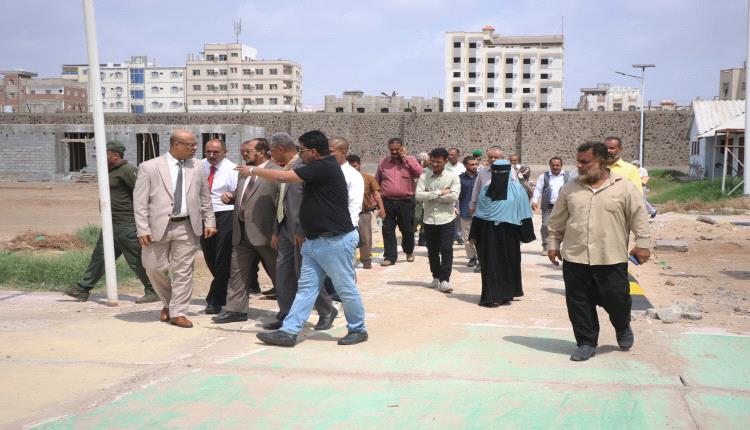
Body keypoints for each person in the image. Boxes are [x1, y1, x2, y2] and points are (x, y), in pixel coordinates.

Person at [251, 130, 367, 347]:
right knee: (306, 288)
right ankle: (289, 331)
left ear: (313, 152)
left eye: (302, 150)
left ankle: (358, 328)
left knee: (345, 288)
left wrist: (253, 170)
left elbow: (285, 177)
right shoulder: (317, 168)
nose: (300, 154)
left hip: (335, 241)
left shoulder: (325, 167)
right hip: (314, 241)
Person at [548, 142, 650, 362]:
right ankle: (586, 342)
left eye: (585, 161)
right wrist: (553, 244)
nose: (580, 165)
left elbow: (639, 217)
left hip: (610, 256)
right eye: (579, 161)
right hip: (576, 256)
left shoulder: (624, 187)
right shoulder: (571, 188)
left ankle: (622, 327)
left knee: (618, 300)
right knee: (579, 302)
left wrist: (642, 243)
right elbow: (556, 221)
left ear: (602, 162)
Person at [133, 129, 216, 328]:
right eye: (191, 145)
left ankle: (178, 312)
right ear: (176, 145)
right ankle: (168, 303)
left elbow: (205, 196)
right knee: (153, 267)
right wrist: (142, 228)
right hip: (156, 228)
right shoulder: (150, 167)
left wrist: (210, 221)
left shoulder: (197, 166)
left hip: (187, 226)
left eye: (195, 145)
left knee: (183, 271)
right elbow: (140, 201)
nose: (196, 148)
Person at [64, 140, 159, 304]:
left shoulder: (127, 171)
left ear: (115, 155)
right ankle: (83, 289)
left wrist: (145, 223)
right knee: (100, 257)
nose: (101, 156)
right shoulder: (107, 171)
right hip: (110, 224)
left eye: (105, 153)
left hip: (126, 224)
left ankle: (154, 290)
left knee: (136, 259)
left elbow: (144, 194)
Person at [262, 132, 336, 331]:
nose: (271, 155)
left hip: (301, 231)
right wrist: (276, 230)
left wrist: (302, 230)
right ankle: (286, 314)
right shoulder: (286, 168)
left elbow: (308, 204)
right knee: (283, 273)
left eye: (271, 151)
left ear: (279, 149)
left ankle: (326, 309)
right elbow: (282, 203)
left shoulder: (304, 168)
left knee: (305, 274)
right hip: (284, 229)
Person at [212, 138, 280, 324]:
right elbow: (247, 195)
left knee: (278, 273)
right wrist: (233, 197)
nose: (244, 153)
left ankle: (288, 310)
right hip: (241, 232)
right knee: (238, 273)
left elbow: (280, 206)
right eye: (243, 150)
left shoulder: (277, 172)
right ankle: (236, 310)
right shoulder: (243, 172)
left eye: (248, 150)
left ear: (262, 151)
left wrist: (277, 231)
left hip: (266, 234)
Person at [468, 160, 535, 307]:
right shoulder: (486, 189)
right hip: (488, 233)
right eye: (495, 172)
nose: (498, 175)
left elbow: (524, 211)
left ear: (508, 173)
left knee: (509, 263)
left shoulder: (517, 189)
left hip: (509, 234)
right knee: (490, 264)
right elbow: (480, 214)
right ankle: (491, 297)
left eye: (502, 172)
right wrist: (474, 234)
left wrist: (526, 234)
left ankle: (506, 294)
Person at [200, 139, 237, 314]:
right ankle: (227, 288)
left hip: (225, 213)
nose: (211, 155)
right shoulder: (199, 167)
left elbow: (239, 192)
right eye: (208, 152)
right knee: (209, 254)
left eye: (216, 152)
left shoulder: (232, 169)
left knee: (222, 256)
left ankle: (215, 298)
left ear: (225, 152)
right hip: (204, 214)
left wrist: (231, 195)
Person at [416, 147, 461, 293]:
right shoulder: (424, 176)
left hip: (447, 219)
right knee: (432, 250)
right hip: (429, 219)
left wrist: (430, 194)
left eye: (438, 162)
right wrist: (441, 192)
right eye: (433, 161)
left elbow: (453, 197)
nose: (435, 164)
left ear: (445, 161)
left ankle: (445, 280)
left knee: (447, 249)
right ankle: (435, 276)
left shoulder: (453, 177)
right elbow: (418, 195)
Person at [375, 138, 423, 266]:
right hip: (387, 202)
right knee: (387, 229)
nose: (395, 152)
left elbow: (420, 173)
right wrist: (377, 203)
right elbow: (377, 183)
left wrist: (406, 159)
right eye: (392, 150)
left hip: (406, 202)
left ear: (402, 148)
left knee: (407, 229)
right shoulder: (383, 162)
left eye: (397, 149)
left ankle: (408, 251)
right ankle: (390, 257)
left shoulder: (410, 160)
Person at [347, 154, 385, 269]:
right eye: (351, 167)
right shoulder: (342, 178)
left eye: (355, 166)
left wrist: (382, 209)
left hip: (363, 213)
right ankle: (348, 262)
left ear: (360, 165)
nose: (353, 169)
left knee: (366, 238)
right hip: (347, 213)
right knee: (347, 239)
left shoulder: (368, 178)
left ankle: (366, 260)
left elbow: (377, 194)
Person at [531, 157, 569, 253]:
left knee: (564, 226)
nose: (555, 167)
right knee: (545, 225)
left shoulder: (568, 176)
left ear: (561, 165)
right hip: (548, 205)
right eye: (553, 165)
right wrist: (535, 200)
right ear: (550, 165)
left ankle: (560, 246)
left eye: (557, 165)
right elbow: (538, 189)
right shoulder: (544, 176)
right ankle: (546, 246)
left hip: (563, 207)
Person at [458, 155, 479, 268]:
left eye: (476, 164)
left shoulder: (481, 177)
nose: (475, 166)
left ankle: (481, 257)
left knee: (480, 236)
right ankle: (472, 257)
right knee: (467, 237)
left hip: (480, 213)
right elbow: (457, 195)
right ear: (466, 165)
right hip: (466, 212)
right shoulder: (460, 178)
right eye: (472, 164)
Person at [447, 147, 465, 245]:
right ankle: (450, 235)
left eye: (452, 155)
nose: (450, 156)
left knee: (458, 215)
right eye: (449, 154)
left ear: (458, 156)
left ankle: (459, 235)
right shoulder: (444, 167)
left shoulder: (462, 167)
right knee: (449, 214)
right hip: (448, 194)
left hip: (460, 194)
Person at [414, 152, 430, 247]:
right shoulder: (415, 170)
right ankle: (412, 233)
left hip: (424, 196)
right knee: (416, 217)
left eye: (423, 159)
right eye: (419, 159)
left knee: (424, 217)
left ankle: (423, 237)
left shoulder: (429, 170)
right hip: (414, 197)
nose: (421, 161)